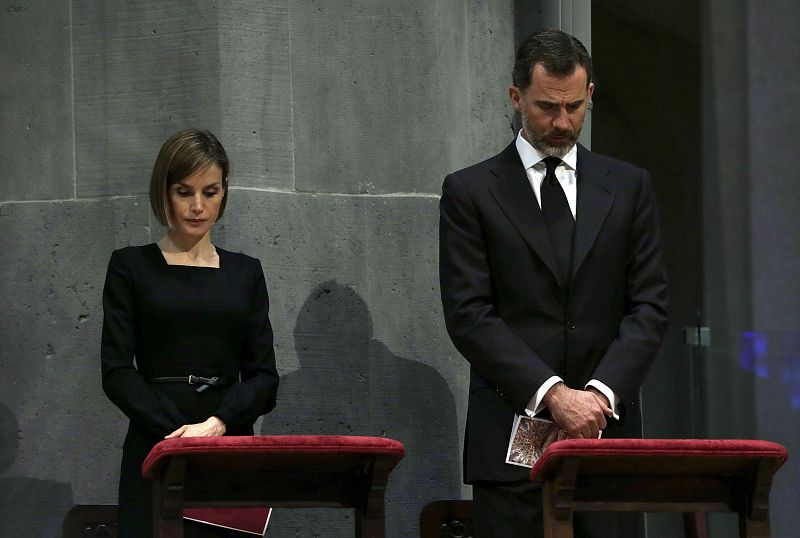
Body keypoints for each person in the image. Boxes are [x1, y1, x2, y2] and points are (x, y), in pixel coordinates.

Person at [439, 29, 668, 537]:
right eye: (546, 107)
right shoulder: (470, 192)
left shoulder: (629, 187)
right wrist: (554, 395)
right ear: (516, 96)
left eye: (574, 106)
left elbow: (649, 307)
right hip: (511, 442)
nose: (562, 122)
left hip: (607, 438)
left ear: (590, 94)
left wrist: (599, 396)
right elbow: (469, 314)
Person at [101, 128, 280, 537]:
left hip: (228, 444)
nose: (198, 206)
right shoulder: (131, 267)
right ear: (164, 192)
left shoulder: (246, 272)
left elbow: (264, 378)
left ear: (224, 192)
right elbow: (116, 371)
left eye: (210, 192)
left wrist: (218, 422)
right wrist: (177, 432)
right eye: (185, 192)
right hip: (156, 441)